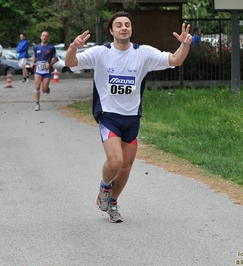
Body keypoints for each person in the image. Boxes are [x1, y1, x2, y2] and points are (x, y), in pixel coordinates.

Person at [65, 11, 192, 223]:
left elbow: (175, 60)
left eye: (127, 24)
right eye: (119, 25)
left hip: (132, 117)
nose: (124, 28)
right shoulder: (100, 53)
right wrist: (73, 47)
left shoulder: (143, 53)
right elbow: (71, 63)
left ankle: (112, 203)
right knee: (115, 161)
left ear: (131, 30)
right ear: (111, 30)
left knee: (126, 167)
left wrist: (185, 45)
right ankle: (104, 187)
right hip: (108, 115)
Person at [30, 31, 58, 111]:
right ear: (40, 37)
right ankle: (37, 104)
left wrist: (50, 64)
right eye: (43, 36)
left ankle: (46, 89)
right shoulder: (36, 47)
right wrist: (32, 62)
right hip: (38, 69)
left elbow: (56, 58)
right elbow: (34, 57)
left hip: (47, 71)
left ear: (48, 37)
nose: (44, 37)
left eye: (46, 36)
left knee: (44, 89)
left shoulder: (51, 47)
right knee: (37, 86)